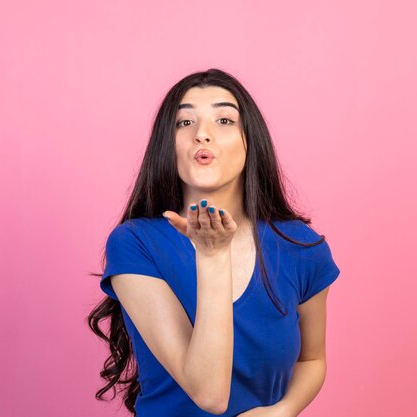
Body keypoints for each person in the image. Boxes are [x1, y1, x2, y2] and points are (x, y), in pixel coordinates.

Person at [86, 68, 341, 417]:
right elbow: (209, 394)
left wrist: (279, 412)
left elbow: (312, 358)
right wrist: (213, 256)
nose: (202, 135)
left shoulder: (300, 248)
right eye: (184, 123)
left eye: (223, 120)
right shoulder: (135, 244)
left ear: (250, 140)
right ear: (167, 144)